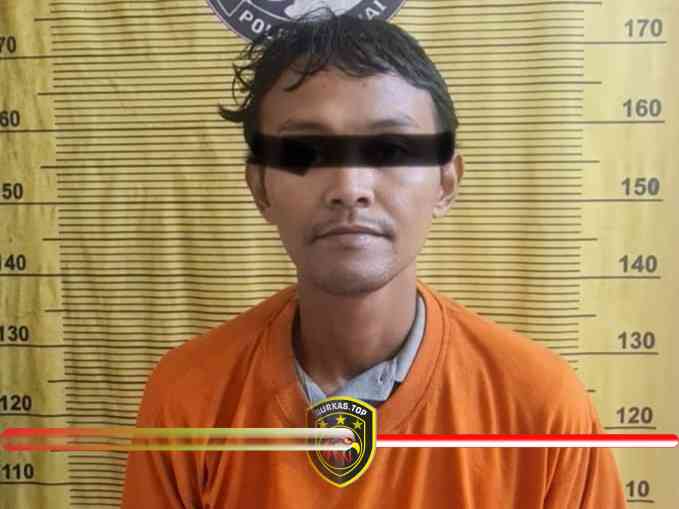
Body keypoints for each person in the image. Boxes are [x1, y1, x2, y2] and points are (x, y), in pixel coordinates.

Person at [120, 9, 627, 508]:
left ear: (445, 182)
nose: (350, 187)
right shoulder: (187, 398)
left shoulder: (542, 408)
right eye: (306, 151)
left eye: (390, 149)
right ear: (260, 188)